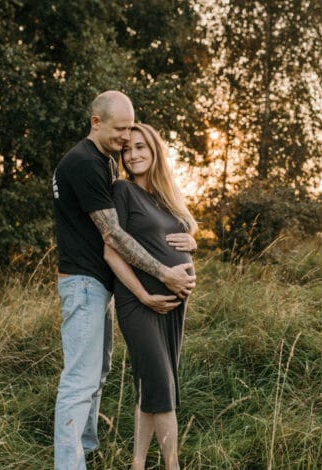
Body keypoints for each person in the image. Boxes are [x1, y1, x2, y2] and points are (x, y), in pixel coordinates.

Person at [52, 91, 196, 470]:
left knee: (98, 374)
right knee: (82, 380)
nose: (126, 143)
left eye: (133, 133)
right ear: (96, 122)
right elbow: (113, 239)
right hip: (87, 283)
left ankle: (93, 451)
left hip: (100, 287)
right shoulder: (87, 164)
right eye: (121, 132)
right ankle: (70, 464)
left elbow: (165, 226)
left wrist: (191, 239)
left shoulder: (104, 165)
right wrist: (162, 275)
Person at [104, 123, 197, 470]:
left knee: (153, 386)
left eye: (140, 147)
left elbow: (182, 233)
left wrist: (193, 242)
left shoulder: (164, 198)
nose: (133, 154)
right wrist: (144, 295)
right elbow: (112, 252)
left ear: (154, 150)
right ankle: (173, 466)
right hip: (140, 303)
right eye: (127, 149)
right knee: (162, 386)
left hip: (172, 306)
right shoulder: (122, 191)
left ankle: (138, 464)